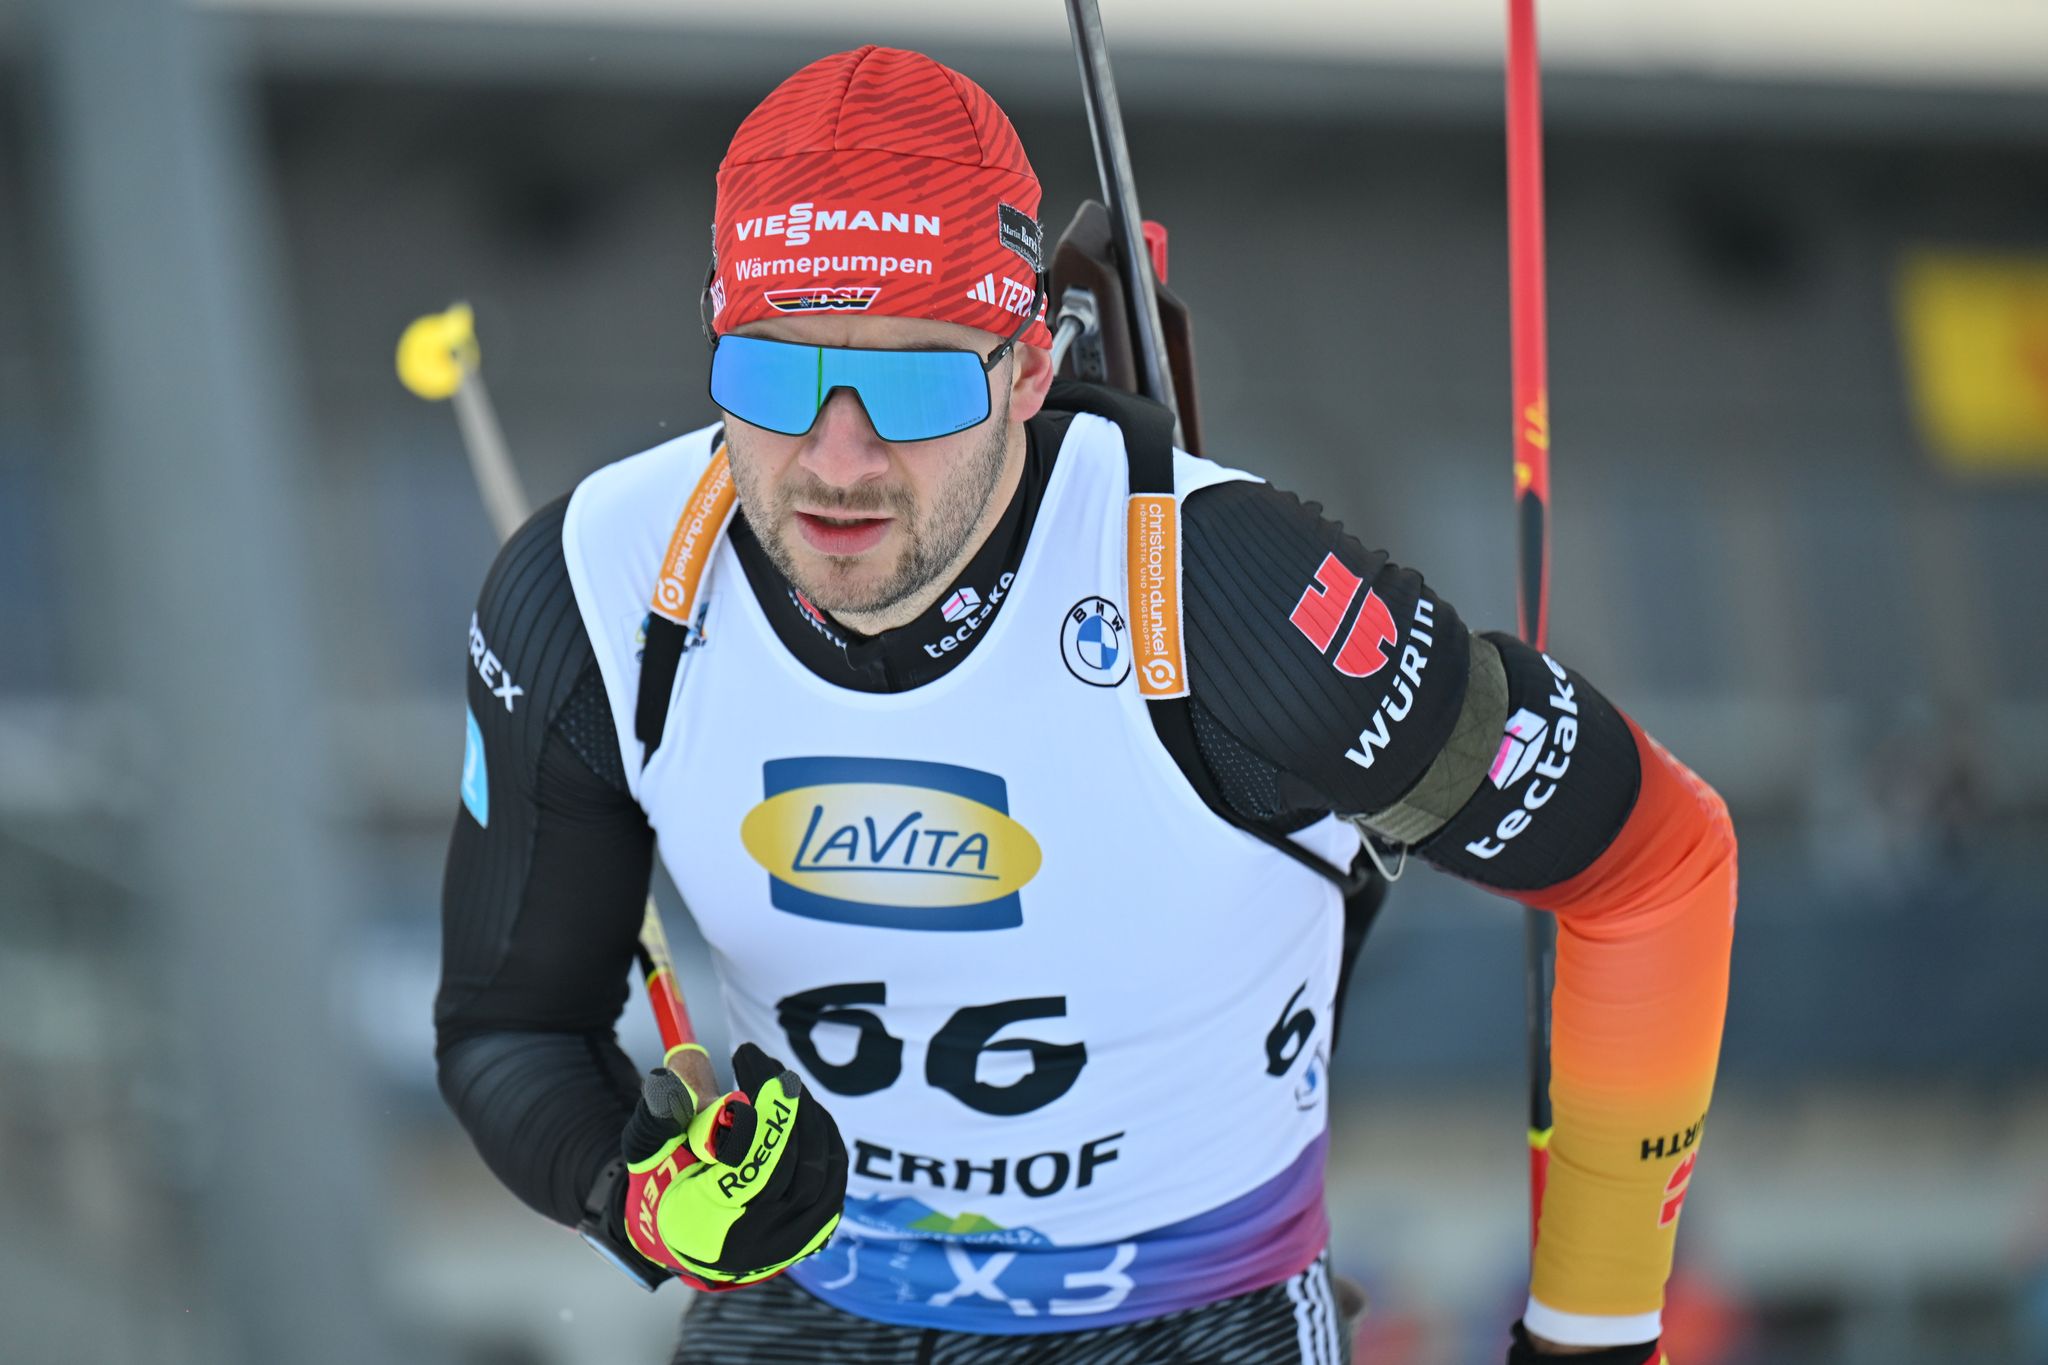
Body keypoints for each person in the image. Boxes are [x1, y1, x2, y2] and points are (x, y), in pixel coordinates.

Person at [436, 45, 1735, 1365]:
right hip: (807, 1306)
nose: (836, 461)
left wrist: (1593, 1337)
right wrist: (647, 1199)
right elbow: (510, 1026)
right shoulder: (597, 587)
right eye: (775, 372)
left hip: (1187, 1309)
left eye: (913, 380)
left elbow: (1655, 868)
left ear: (1030, 370)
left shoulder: (1217, 593)